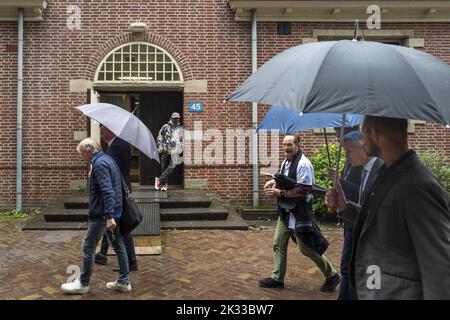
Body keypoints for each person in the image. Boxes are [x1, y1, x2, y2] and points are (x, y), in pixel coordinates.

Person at [326, 116, 450, 299]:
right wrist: (345, 207)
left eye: (364, 132)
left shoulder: (418, 186)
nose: (362, 138)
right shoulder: (388, 173)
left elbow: (440, 270)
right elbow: (380, 221)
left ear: (374, 134)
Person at [259, 134, 341, 292]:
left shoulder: (304, 164)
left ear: (297, 145)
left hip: (300, 213)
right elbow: (285, 179)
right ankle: (277, 278)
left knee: (306, 248)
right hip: (286, 212)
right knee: (278, 243)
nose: (286, 148)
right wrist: (274, 181)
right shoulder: (286, 162)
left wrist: (280, 193)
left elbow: (304, 189)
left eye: (289, 144)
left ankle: (332, 275)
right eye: (284, 144)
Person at [61, 138, 131, 294]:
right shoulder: (107, 159)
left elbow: (108, 191)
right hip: (114, 211)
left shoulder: (99, 164)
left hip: (102, 214)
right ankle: (123, 281)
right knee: (119, 245)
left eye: (82, 154)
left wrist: (109, 216)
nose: (82, 157)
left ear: (89, 151)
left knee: (88, 247)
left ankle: (83, 284)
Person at [334, 131, 383, 300]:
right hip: (361, 239)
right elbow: (364, 209)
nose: (346, 156)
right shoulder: (364, 170)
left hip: (375, 250)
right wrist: (343, 206)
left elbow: (376, 215)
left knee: (370, 289)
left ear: (364, 148)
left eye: (349, 151)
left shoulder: (381, 172)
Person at [94, 125, 138, 272]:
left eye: (103, 132)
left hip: (118, 189)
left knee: (121, 228)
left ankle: (131, 262)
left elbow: (110, 169)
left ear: (109, 131)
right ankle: (103, 253)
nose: (102, 136)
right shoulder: (123, 143)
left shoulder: (116, 146)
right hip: (124, 185)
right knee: (113, 224)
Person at [155, 112, 184, 191]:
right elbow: (160, 137)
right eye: (175, 118)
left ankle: (159, 180)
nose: (176, 119)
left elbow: (182, 141)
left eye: (177, 118)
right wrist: (160, 147)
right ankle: (164, 185)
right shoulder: (165, 127)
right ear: (171, 118)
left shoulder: (181, 129)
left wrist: (180, 149)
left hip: (175, 152)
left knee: (172, 166)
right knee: (163, 168)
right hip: (165, 150)